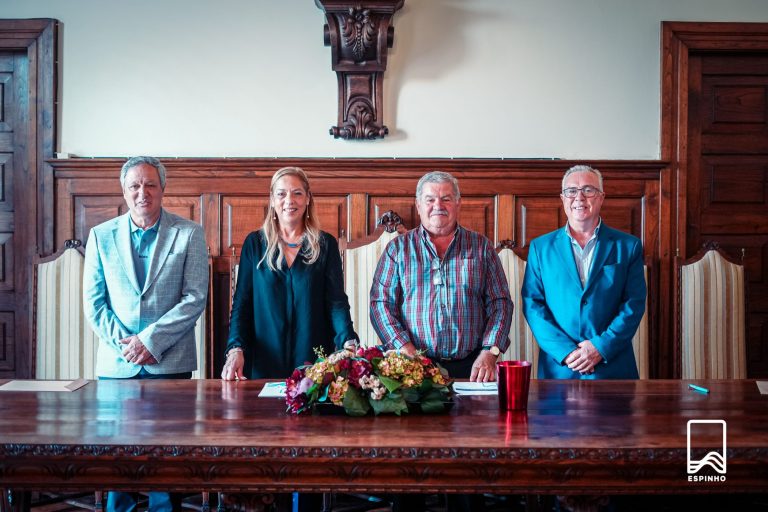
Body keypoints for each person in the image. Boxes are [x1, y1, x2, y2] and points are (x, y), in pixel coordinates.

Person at [83, 156, 209, 512]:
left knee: (166, 460)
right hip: (117, 364)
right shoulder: (101, 235)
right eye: (135, 186)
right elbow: (94, 304)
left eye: (150, 184)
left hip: (169, 363)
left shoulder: (189, 233)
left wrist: (150, 342)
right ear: (124, 192)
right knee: (118, 457)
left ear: (163, 189)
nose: (143, 193)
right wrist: (129, 347)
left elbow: (195, 298)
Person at [370, 170, 513, 383]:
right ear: (418, 205)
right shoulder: (397, 249)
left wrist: (490, 352)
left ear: (458, 203)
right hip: (414, 366)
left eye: (446, 199)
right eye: (430, 200)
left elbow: (500, 303)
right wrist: (406, 350)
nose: (438, 205)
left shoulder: (481, 247)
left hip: (474, 367)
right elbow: (381, 305)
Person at [222, 166, 358, 382]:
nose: (289, 200)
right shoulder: (254, 244)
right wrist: (235, 348)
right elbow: (242, 304)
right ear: (272, 200)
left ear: (308, 198)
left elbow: (336, 303)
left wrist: (348, 342)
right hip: (264, 362)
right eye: (281, 194)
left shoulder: (326, 244)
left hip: (313, 363)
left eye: (297, 193)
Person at [521, 165, 646, 379]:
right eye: (571, 191)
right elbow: (533, 305)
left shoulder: (628, 246)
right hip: (559, 369)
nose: (579, 197)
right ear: (563, 198)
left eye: (588, 190)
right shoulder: (540, 248)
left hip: (612, 367)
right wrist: (567, 352)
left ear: (601, 197)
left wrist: (600, 347)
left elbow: (633, 304)